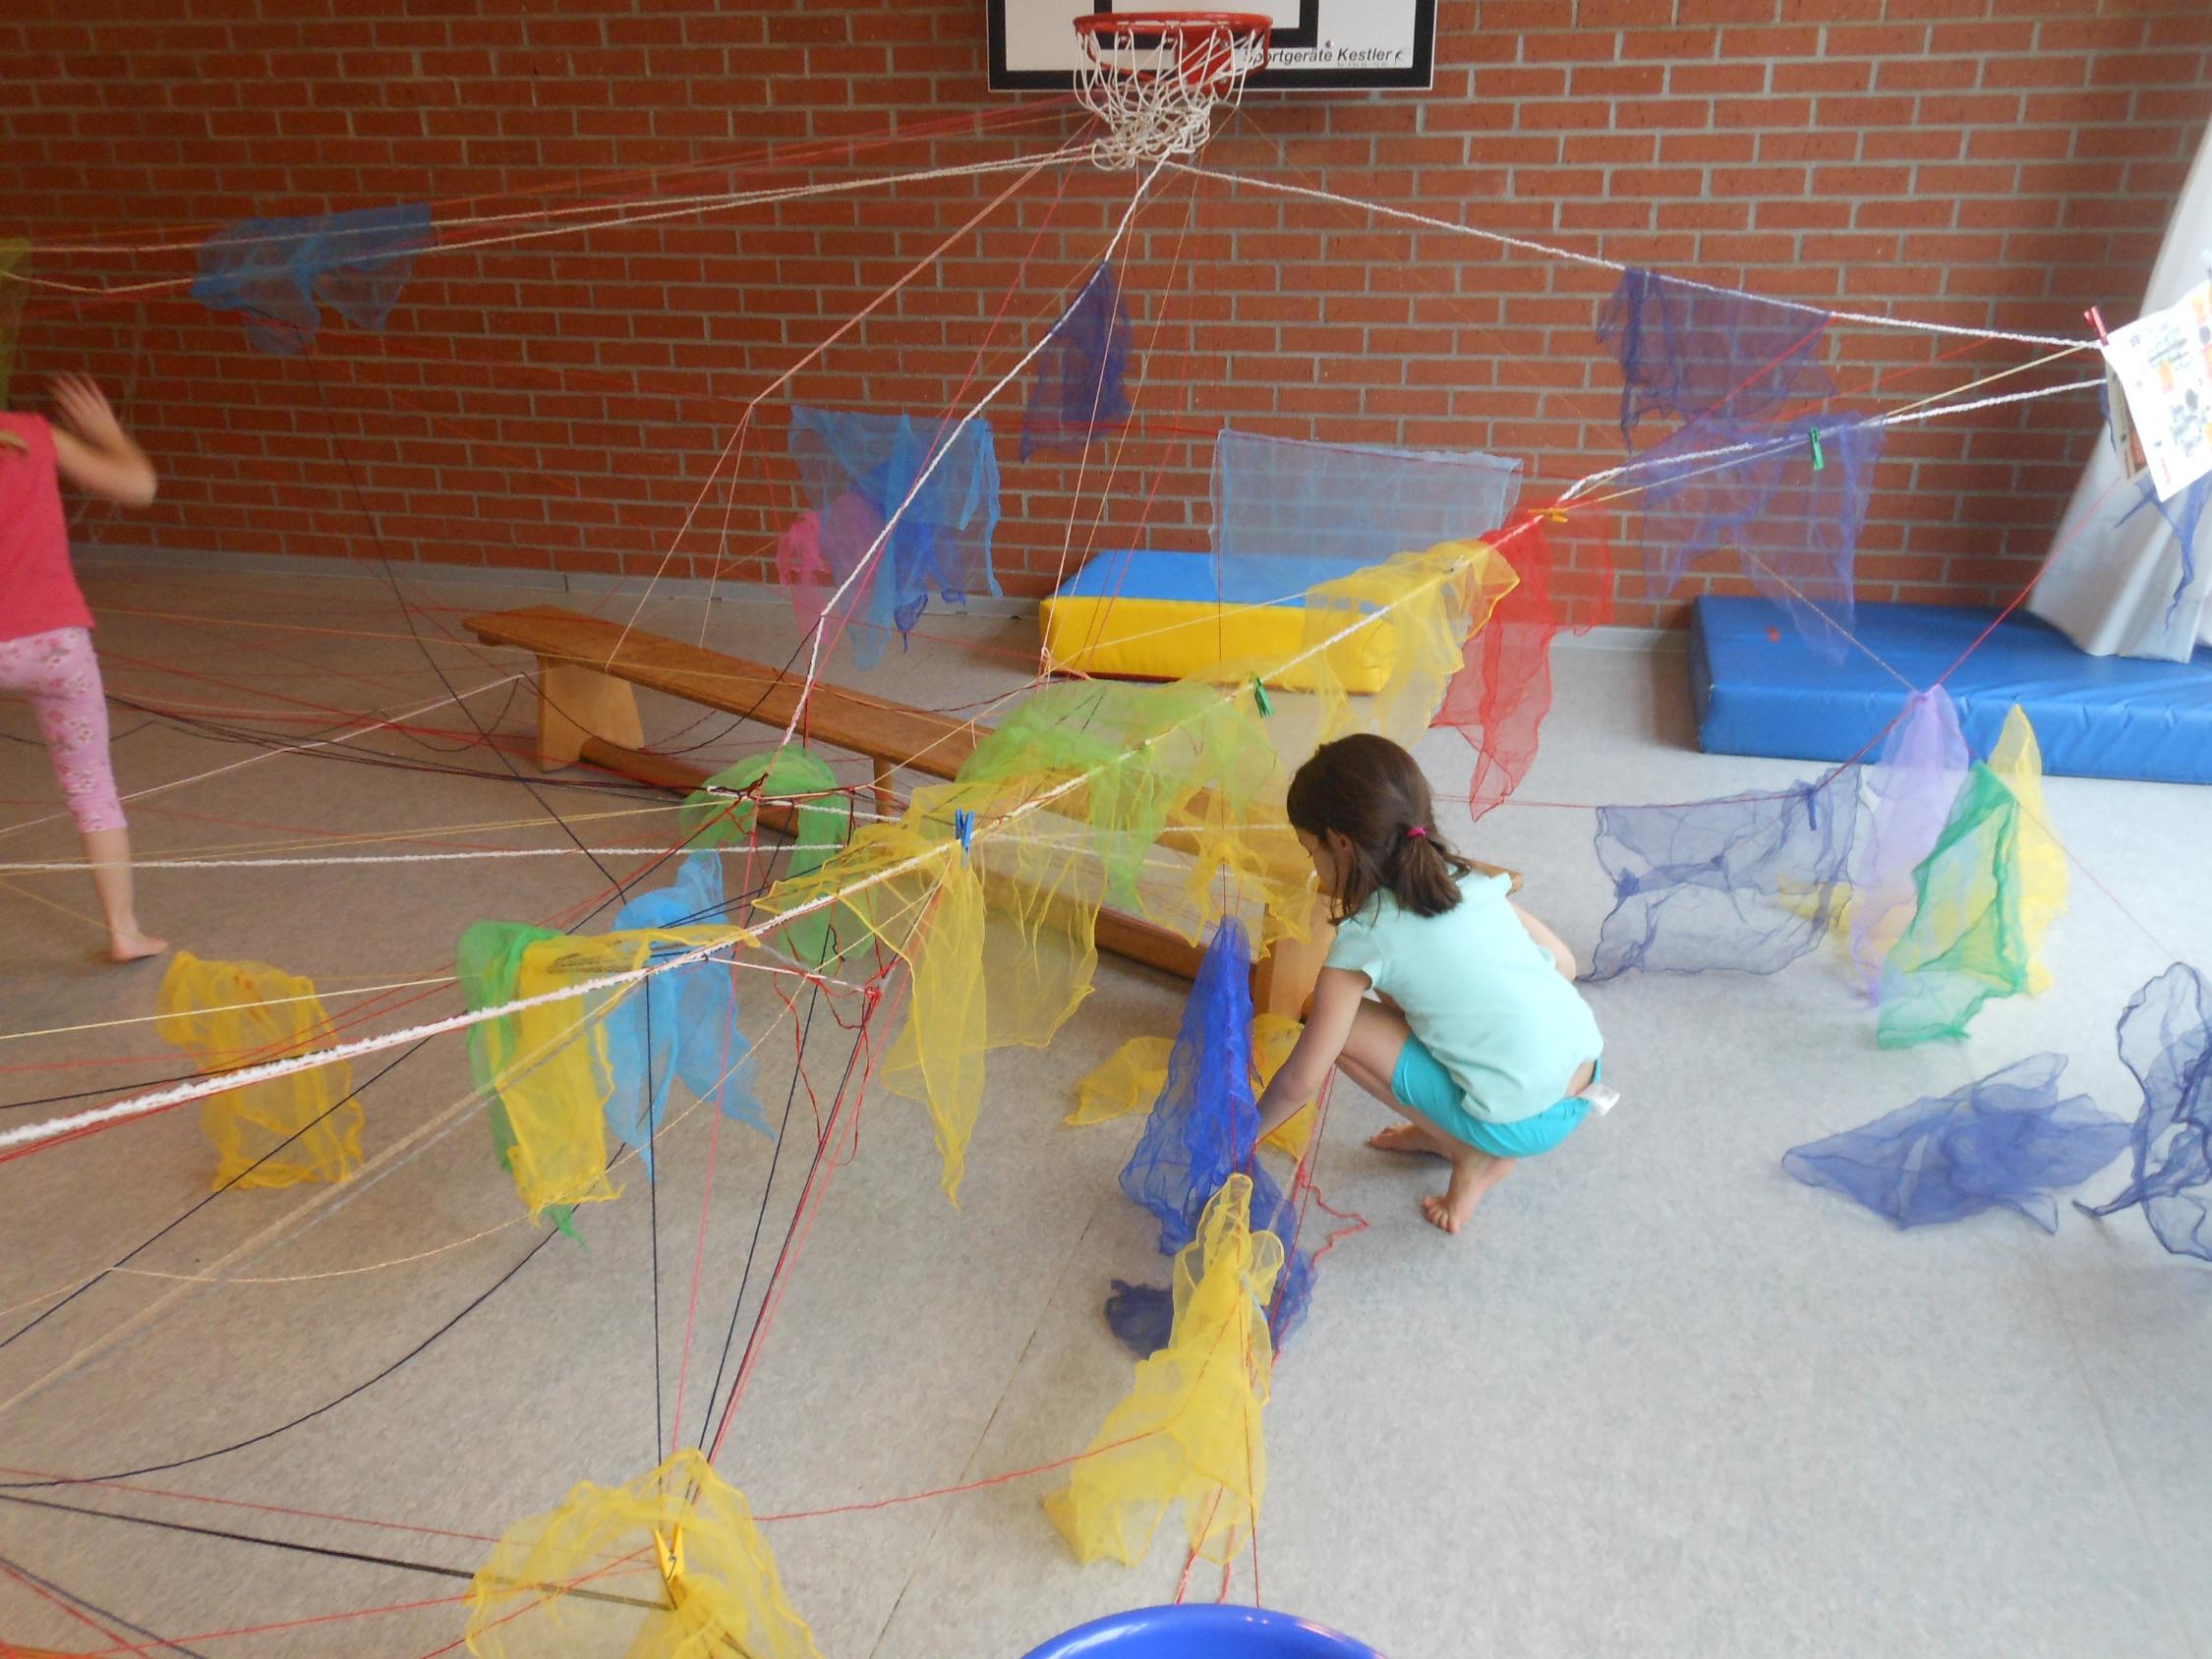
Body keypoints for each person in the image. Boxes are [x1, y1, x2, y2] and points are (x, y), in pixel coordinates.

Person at [1252, 733, 1607, 1234]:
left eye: (1311, 851)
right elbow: (1565, 965)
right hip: (1586, 1071)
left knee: (1334, 1025)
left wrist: (1241, 1137)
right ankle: (1445, 1130)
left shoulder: (1366, 937)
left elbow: (1299, 1081)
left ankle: (1470, 1153)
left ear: (1341, 843)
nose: (1313, 866)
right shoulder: (1470, 880)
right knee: (1431, 999)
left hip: (1520, 1123)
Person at [0, 373, 164, 961]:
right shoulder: (31, 435)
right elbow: (139, 486)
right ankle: (123, 929)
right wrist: (109, 435)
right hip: (55, 645)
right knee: (92, 785)